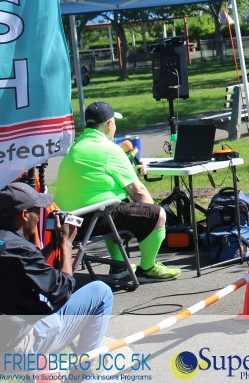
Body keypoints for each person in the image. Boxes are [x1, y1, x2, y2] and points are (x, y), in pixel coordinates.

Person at [0, 182, 122, 383]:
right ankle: (79, 380)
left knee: (36, 300)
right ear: (25, 215)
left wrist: (52, 247)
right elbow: (63, 291)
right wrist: (66, 245)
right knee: (100, 292)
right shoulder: (20, 250)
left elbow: (23, 272)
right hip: (16, 348)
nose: (40, 216)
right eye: (38, 211)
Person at [55, 101, 180, 282]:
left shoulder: (75, 148)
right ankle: (148, 268)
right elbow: (139, 191)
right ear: (109, 124)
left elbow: (98, 182)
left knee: (117, 208)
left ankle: (119, 265)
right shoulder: (109, 149)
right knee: (157, 214)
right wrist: (151, 219)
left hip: (69, 223)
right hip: (93, 220)